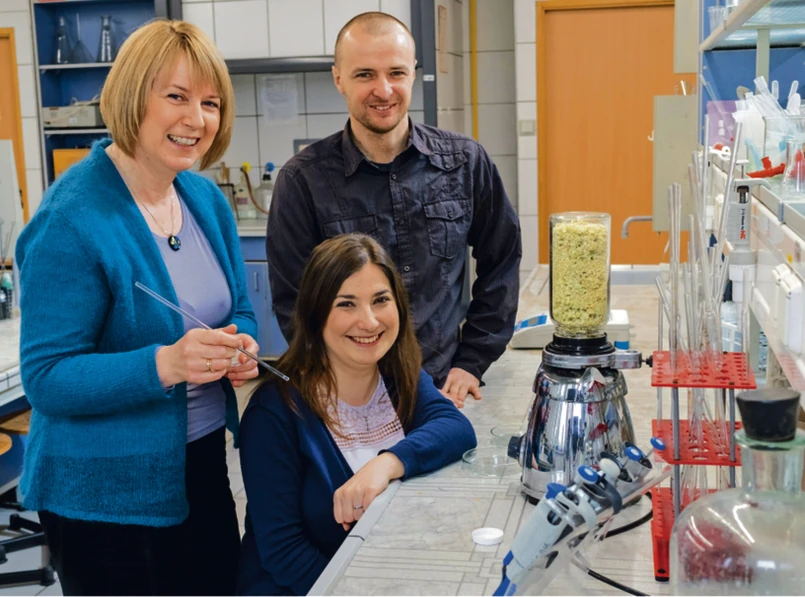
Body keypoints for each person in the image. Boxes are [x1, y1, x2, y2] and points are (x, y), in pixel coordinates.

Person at [15, 20, 258, 596]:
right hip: (104, 497)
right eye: (176, 96)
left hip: (202, 464)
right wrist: (166, 364)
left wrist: (240, 345)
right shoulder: (71, 219)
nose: (196, 119)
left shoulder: (203, 199)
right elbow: (47, 378)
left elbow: (240, 310)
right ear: (131, 98)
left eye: (210, 103)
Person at [266, 12, 522, 409]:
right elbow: (293, 303)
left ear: (413, 74)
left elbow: (502, 261)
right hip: (350, 397)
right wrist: (339, 382)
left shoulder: (466, 162)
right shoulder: (302, 181)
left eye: (396, 73)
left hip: (447, 392)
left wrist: (472, 361)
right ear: (339, 79)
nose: (383, 90)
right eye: (365, 74)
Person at [236, 233, 476, 596]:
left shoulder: (398, 377)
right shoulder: (273, 413)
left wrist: (385, 464)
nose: (369, 321)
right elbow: (284, 554)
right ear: (315, 314)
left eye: (381, 300)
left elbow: (456, 428)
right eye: (346, 304)